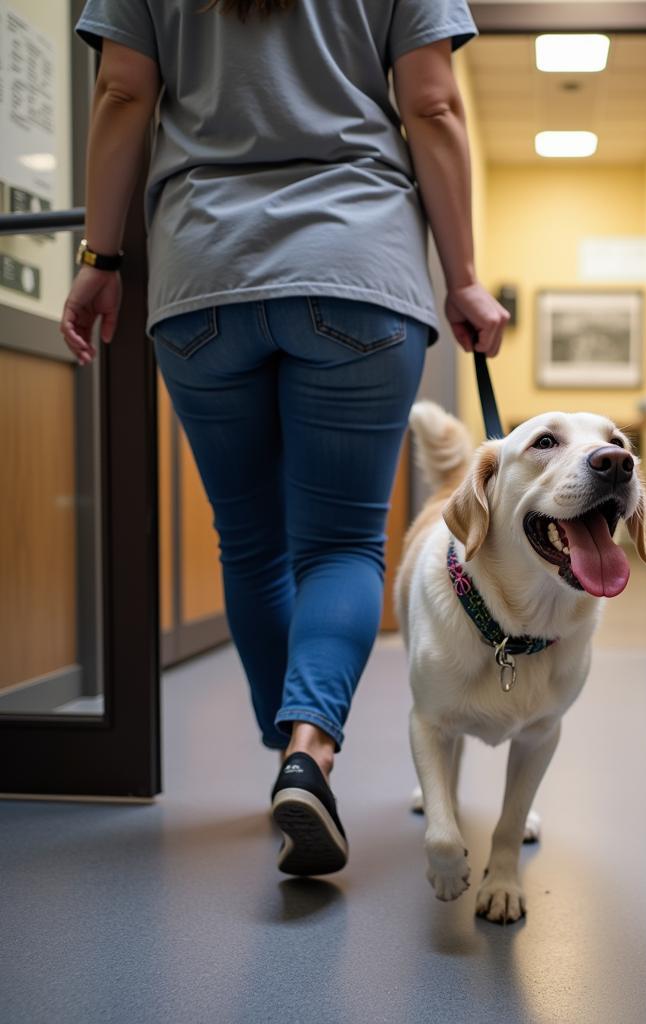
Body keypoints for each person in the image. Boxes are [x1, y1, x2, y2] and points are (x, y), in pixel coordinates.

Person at [61, 0, 509, 876]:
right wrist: (463, 278)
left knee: (252, 544)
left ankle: (290, 759)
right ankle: (313, 748)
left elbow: (121, 91)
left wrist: (98, 260)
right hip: (358, 267)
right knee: (340, 545)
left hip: (204, 276)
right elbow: (433, 105)